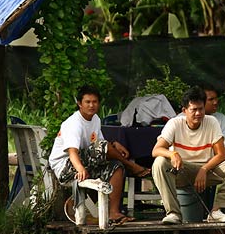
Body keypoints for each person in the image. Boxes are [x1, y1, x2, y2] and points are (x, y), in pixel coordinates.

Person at [48, 84, 151, 225]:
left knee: (116, 167)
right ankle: (132, 166)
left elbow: (102, 143)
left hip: (82, 162)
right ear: (79, 104)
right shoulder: (73, 123)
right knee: (104, 148)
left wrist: (114, 143)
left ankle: (113, 213)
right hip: (67, 167)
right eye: (87, 102)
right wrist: (80, 169)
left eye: (95, 102)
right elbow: (72, 152)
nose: (91, 105)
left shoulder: (95, 119)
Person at [152, 86, 225, 224]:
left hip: (206, 170)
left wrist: (204, 169)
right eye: (193, 110)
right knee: (159, 162)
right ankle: (173, 213)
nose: (198, 113)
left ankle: (217, 210)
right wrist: (172, 154)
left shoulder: (212, 121)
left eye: (201, 109)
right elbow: (156, 150)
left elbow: (221, 155)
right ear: (184, 111)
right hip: (182, 170)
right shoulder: (174, 123)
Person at [202, 84, 225, 158]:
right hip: (190, 163)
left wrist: (208, 166)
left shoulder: (221, 118)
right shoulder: (180, 119)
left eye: (216, 98)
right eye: (211, 99)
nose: (215, 102)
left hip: (216, 162)